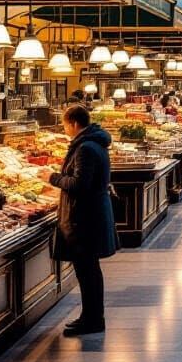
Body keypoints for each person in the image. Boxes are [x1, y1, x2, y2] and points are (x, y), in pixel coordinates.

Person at [40, 104, 115, 336]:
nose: (65, 130)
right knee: (89, 270)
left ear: (73, 123)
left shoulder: (85, 148)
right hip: (90, 215)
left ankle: (93, 319)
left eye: (65, 126)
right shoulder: (94, 143)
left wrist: (52, 177)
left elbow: (80, 185)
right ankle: (91, 316)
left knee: (87, 270)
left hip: (85, 218)